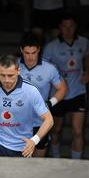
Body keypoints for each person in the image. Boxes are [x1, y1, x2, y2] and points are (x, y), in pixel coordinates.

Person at [0, 54, 54, 158]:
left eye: (10, 75)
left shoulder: (31, 91)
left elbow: (49, 119)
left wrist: (34, 140)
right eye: (2, 75)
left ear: (18, 71)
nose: (6, 80)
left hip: (21, 145)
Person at [43, 13, 89, 159]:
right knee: (56, 129)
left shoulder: (84, 42)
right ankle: (56, 158)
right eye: (65, 26)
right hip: (57, 94)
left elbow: (87, 56)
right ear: (60, 28)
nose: (68, 30)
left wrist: (88, 71)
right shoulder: (51, 47)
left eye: (71, 26)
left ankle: (76, 164)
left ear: (75, 27)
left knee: (77, 131)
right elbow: (43, 69)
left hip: (77, 92)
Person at [19, 31, 67, 157]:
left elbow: (62, 89)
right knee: (19, 163)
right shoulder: (13, 66)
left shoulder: (49, 68)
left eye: (33, 53)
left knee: (38, 161)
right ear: (21, 50)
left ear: (39, 49)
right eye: (27, 53)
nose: (30, 57)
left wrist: (50, 103)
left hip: (41, 123)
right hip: (18, 123)